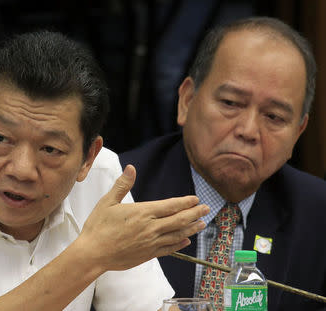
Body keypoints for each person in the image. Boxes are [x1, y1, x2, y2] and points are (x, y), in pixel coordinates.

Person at [0, 31, 211, 311]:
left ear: (87, 158)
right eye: (2, 139)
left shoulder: (102, 178)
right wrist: (89, 257)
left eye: (50, 150)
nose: (22, 170)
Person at [120, 16, 326, 311]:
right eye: (230, 103)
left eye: (274, 117)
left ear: (298, 133)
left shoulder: (318, 217)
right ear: (187, 101)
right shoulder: (122, 193)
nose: (249, 130)